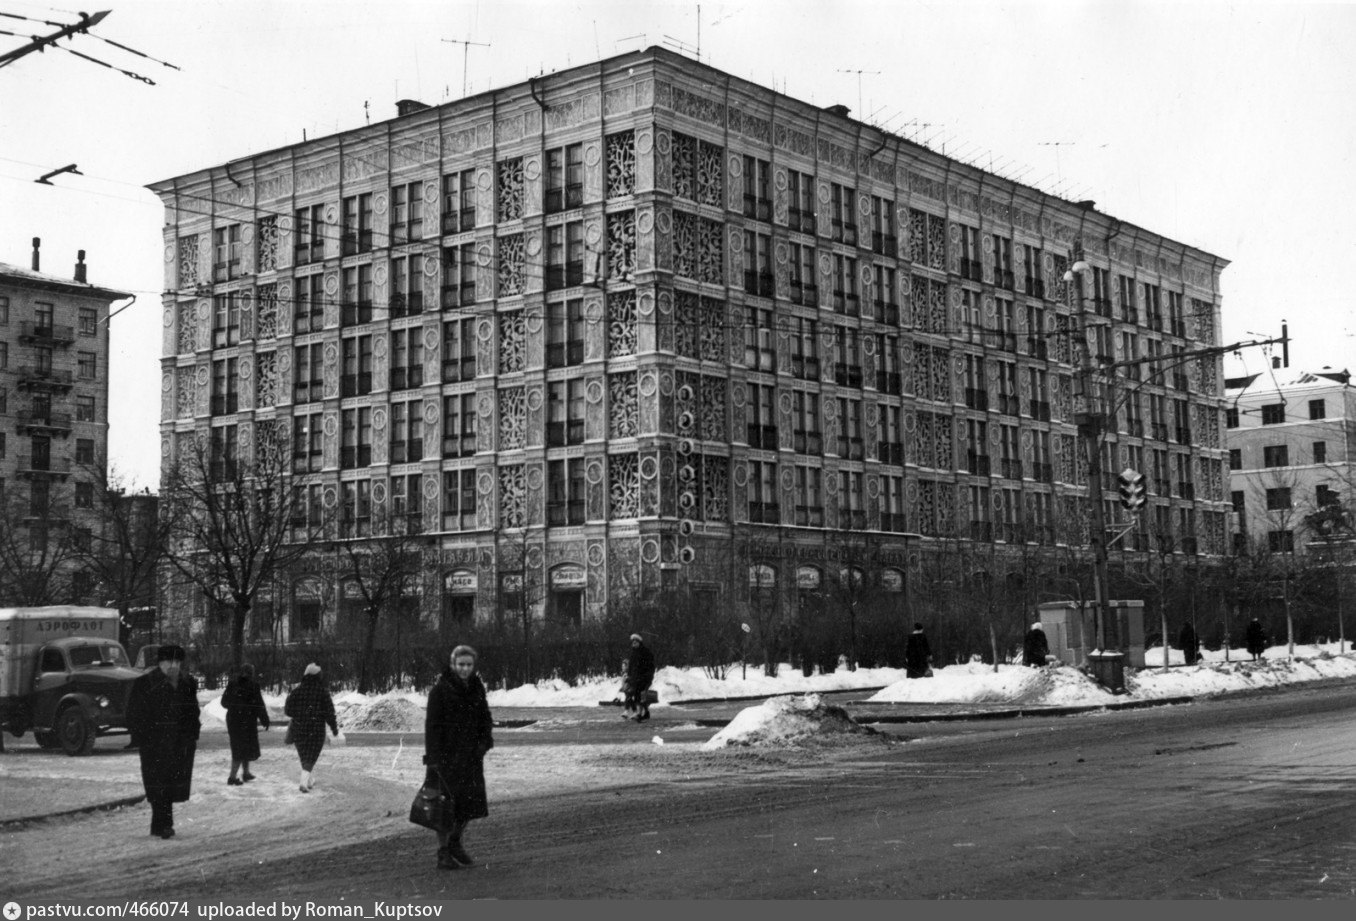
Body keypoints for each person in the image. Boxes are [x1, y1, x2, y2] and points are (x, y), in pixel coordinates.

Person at [424, 645, 494, 870]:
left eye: (469, 665)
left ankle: (455, 842)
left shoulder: (477, 689)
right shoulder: (440, 691)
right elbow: (432, 727)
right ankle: (443, 852)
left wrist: (484, 742)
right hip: (446, 758)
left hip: (471, 757)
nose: (465, 669)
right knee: (444, 808)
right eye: (461, 664)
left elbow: (485, 718)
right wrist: (434, 758)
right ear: (453, 665)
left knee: (469, 805)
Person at [125, 644, 201, 839]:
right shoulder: (146, 683)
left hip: (179, 744)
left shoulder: (187, 683)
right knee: (158, 784)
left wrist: (192, 734)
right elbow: (134, 713)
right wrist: (143, 737)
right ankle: (165, 825)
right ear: (160, 663)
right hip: (154, 744)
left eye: (177, 661)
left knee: (170, 784)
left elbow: (193, 712)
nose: (173, 666)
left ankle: (159, 825)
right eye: (168, 661)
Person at [283, 663, 339, 793]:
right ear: (317, 676)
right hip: (316, 729)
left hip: (298, 728)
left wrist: (300, 714)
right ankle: (303, 782)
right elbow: (329, 713)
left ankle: (308, 780)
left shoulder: (296, 691)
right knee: (311, 756)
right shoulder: (322, 693)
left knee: (304, 756)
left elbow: (288, 711)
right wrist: (334, 728)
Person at [222, 663, 270, 785]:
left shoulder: (232, 684)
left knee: (239, 747)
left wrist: (235, 706)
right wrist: (264, 720)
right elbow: (259, 705)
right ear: (251, 673)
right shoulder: (253, 686)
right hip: (247, 721)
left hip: (233, 720)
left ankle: (246, 773)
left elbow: (224, 702)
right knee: (242, 748)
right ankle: (232, 777)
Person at [623, 633, 656, 722]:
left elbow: (650, 666)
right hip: (635, 679)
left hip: (644, 678)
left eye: (635, 641)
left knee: (640, 695)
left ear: (639, 642)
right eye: (633, 641)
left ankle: (639, 714)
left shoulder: (645, 652)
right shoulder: (633, 653)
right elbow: (631, 667)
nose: (634, 643)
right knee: (637, 695)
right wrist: (629, 677)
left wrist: (648, 676)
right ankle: (645, 713)